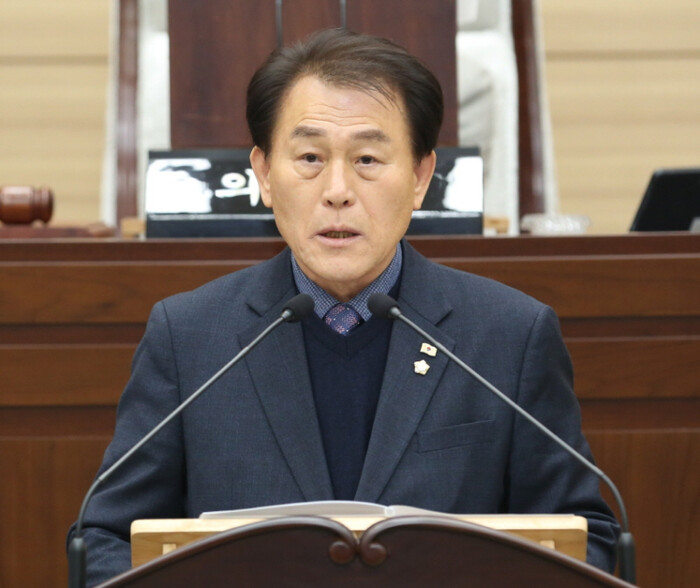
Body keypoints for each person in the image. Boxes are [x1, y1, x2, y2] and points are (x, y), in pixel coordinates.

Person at [68, 28, 619, 585]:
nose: (337, 190)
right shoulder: (189, 336)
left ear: (421, 177)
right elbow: (104, 541)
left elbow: (586, 541)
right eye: (310, 157)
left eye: (368, 159)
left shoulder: (510, 335)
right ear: (264, 174)